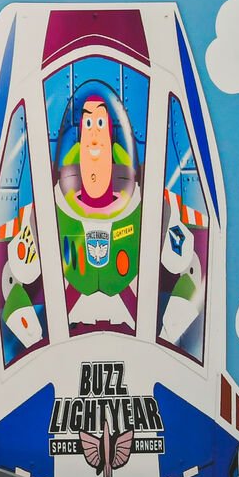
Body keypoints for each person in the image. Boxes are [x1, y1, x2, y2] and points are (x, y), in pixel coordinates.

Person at [53, 81, 142, 329]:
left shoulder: (141, 210)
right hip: (68, 330)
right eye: (88, 125)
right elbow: (21, 273)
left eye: (100, 124)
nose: (93, 138)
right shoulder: (54, 213)